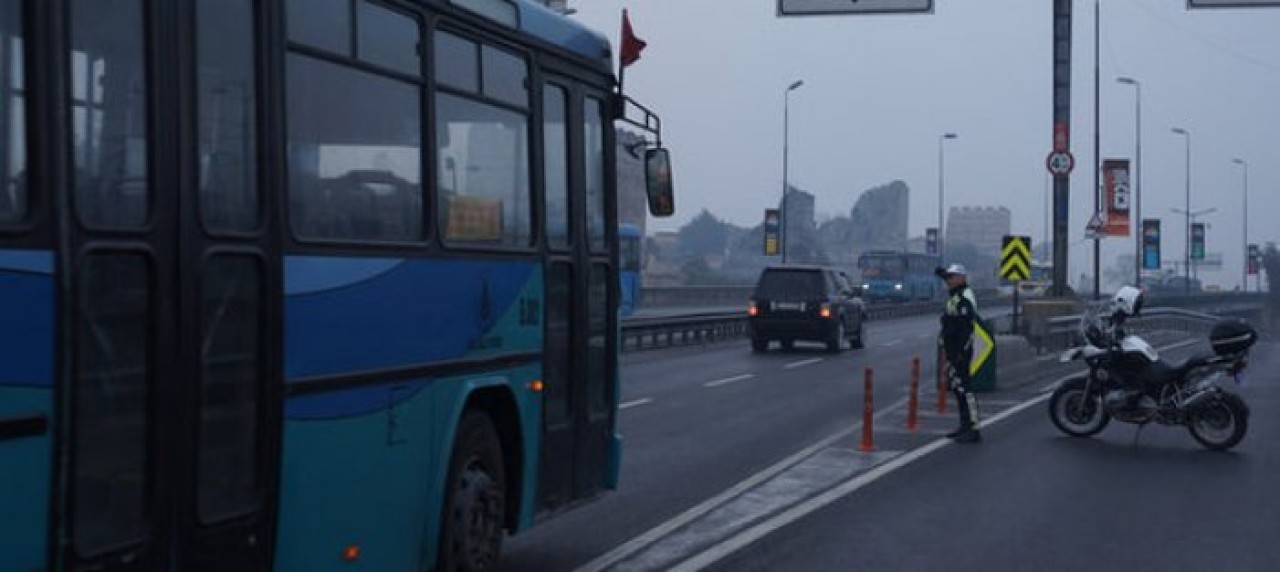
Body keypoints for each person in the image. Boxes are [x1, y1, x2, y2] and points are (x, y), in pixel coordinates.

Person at [935, 263, 982, 443]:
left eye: (952, 277)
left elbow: (965, 327)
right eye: (948, 277)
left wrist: (961, 352)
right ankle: (964, 424)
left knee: (965, 389)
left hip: (960, 351)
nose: (949, 280)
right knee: (958, 388)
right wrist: (942, 274)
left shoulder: (964, 297)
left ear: (961, 278)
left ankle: (973, 427)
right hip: (952, 350)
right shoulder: (955, 295)